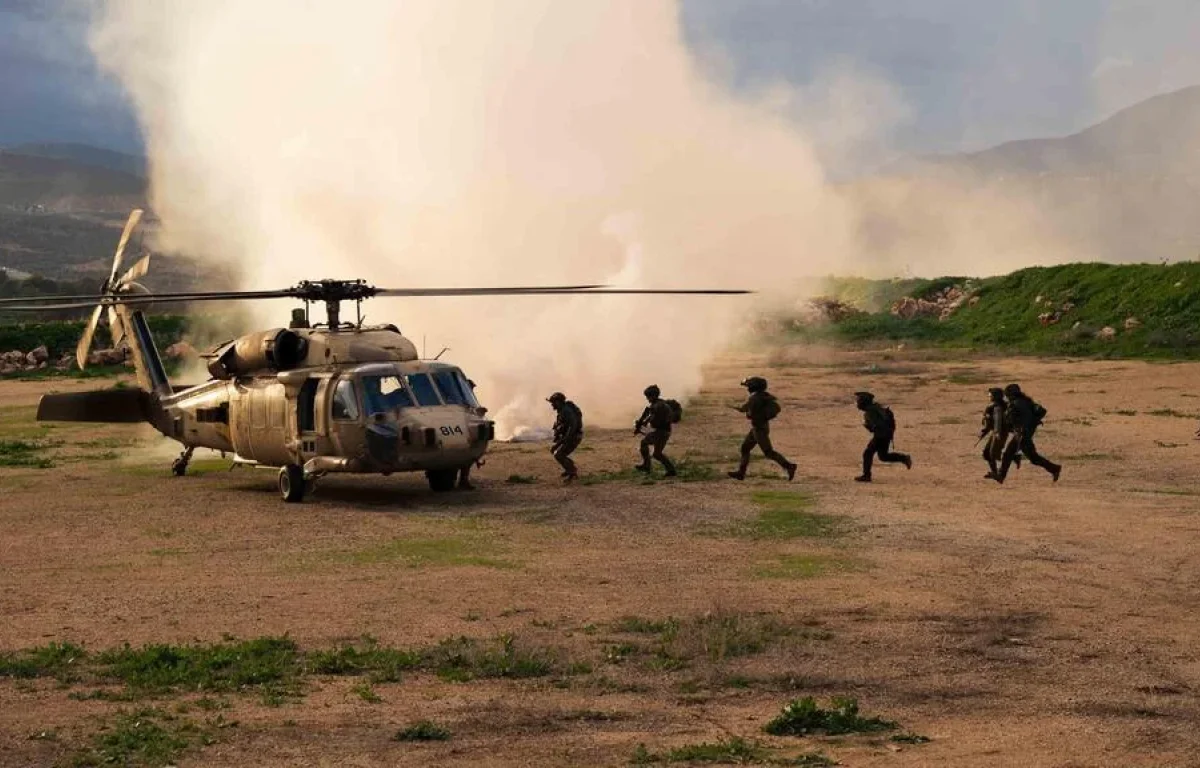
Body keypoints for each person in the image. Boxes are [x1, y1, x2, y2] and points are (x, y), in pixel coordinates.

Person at [727, 376, 797, 481]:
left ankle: (789, 466)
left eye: (749, 386)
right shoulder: (762, 396)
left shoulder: (754, 398)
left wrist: (732, 406)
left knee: (768, 452)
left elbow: (746, 411)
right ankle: (741, 473)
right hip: (759, 428)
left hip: (759, 429)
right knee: (745, 448)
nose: (747, 388)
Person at [995, 383, 1061, 483]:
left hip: (1021, 435)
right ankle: (1054, 468)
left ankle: (1001, 476)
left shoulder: (1014, 405)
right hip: (1026, 434)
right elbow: (1038, 413)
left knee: (1008, 454)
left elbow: (1009, 421)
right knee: (1033, 457)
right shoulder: (1027, 402)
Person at [854, 391, 912, 482]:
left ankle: (866, 475)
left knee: (868, 453)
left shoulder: (871, 411)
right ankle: (904, 458)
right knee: (883, 456)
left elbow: (878, 425)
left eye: (859, 400)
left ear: (864, 402)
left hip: (881, 435)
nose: (857, 403)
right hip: (885, 435)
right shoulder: (874, 408)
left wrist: (871, 427)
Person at [634, 384, 677, 477]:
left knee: (644, 442)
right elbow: (651, 416)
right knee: (657, 454)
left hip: (661, 432)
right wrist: (644, 422)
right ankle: (671, 470)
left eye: (648, 397)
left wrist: (643, 423)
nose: (647, 399)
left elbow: (654, 419)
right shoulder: (660, 404)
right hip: (665, 432)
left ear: (653, 396)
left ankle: (647, 465)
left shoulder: (658, 406)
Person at [979, 387, 1021, 480]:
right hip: (996, 433)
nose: (988, 396)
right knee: (987, 453)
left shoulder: (998, 408)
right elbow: (991, 423)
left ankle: (1012, 458)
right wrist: (985, 431)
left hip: (1000, 433)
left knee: (992, 453)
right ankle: (996, 472)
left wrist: (997, 432)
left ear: (995, 396)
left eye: (990, 394)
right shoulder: (994, 406)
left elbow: (998, 421)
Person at [547, 392, 583, 482]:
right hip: (571, 436)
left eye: (553, 402)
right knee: (559, 454)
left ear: (558, 402)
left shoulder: (566, 411)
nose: (552, 404)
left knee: (559, 454)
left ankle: (572, 472)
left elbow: (572, 427)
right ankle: (569, 468)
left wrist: (559, 443)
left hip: (573, 436)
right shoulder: (562, 410)